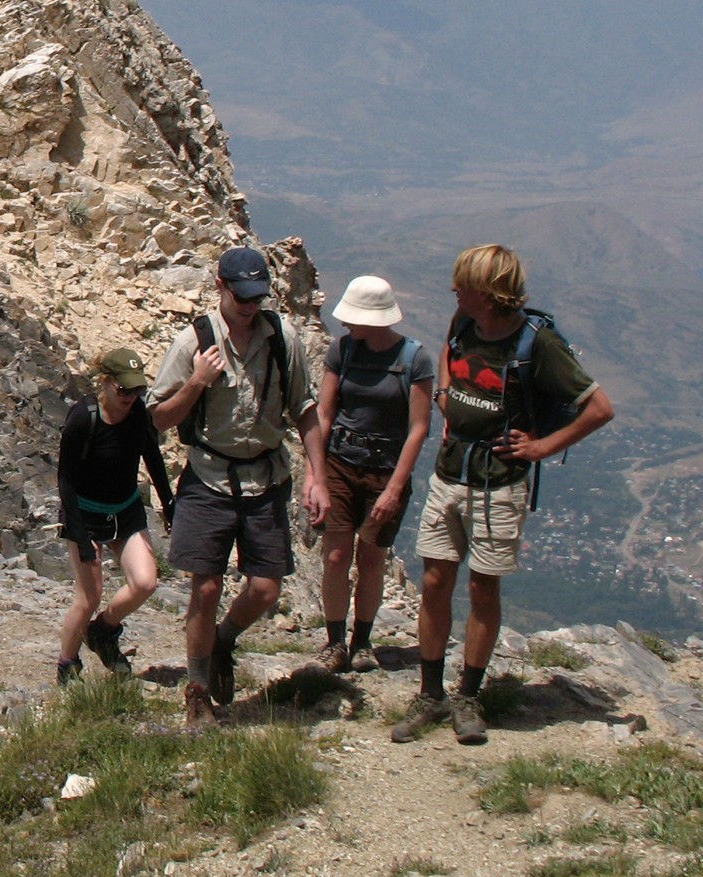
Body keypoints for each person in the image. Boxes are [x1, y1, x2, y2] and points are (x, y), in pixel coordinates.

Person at [394, 245, 615, 746]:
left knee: (481, 588)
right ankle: (431, 694)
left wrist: (539, 448)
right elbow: (449, 352)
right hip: (451, 473)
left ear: (487, 292)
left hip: (498, 483)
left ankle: (468, 696)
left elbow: (599, 408)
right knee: (434, 579)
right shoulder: (465, 321)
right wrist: (448, 397)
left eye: (463, 284)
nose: (454, 290)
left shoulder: (539, 343)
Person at [150, 245, 328, 729]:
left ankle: (224, 640)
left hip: (265, 477)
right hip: (208, 478)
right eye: (242, 296)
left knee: (267, 589)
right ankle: (197, 692)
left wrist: (318, 476)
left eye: (258, 296)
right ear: (220, 287)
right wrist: (197, 384)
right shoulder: (193, 343)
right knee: (204, 588)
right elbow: (158, 418)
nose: (251, 305)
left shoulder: (280, 338)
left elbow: (305, 409)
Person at [314, 276, 435, 675]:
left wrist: (395, 488)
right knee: (334, 556)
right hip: (340, 464)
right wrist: (314, 475)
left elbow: (419, 427)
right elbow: (325, 413)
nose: (347, 326)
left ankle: (362, 641)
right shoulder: (343, 350)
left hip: (386, 471)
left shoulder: (414, 360)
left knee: (371, 558)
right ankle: (334, 642)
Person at [54, 346, 174, 685]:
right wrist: (80, 537)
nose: (131, 397)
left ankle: (104, 631)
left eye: (137, 390)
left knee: (146, 582)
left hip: (125, 510)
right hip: (86, 514)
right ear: (105, 382)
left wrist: (169, 505)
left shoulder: (138, 416)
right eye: (124, 390)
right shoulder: (83, 418)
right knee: (89, 595)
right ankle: (67, 664)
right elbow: (65, 479)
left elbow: (153, 458)